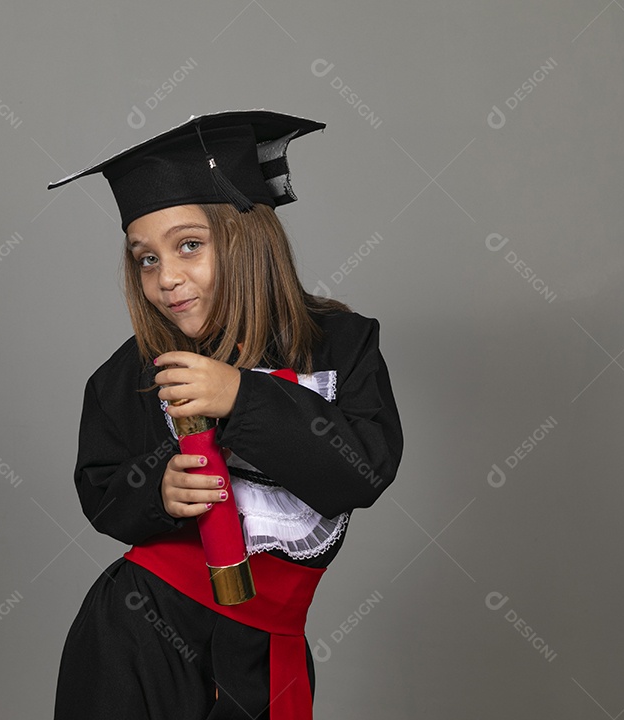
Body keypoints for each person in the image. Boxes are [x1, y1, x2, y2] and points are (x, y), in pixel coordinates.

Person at [48, 110, 404, 720]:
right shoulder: (131, 374)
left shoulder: (342, 346)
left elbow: (361, 473)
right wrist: (158, 487)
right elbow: (101, 489)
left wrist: (243, 396)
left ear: (245, 237)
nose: (167, 278)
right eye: (146, 258)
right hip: (139, 637)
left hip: (267, 646)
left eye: (189, 245)